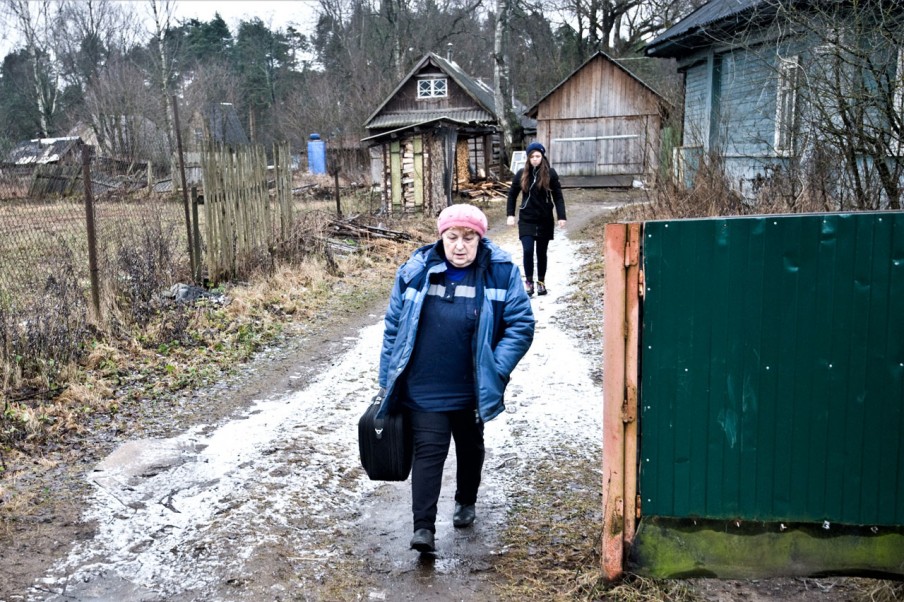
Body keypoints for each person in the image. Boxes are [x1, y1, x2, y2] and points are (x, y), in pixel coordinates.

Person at [374, 203, 535, 554]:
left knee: (469, 446)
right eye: (452, 237)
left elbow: (521, 326)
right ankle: (423, 528)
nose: (460, 245)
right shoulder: (415, 271)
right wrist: (387, 379)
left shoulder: (500, 271)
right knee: (428, 452)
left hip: (471, 386)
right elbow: (393, 329)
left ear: (480, 238)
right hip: (424, 384)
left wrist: (496, 368)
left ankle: (466, 500)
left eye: (468, 237)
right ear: (441, 237)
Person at [506, 141, 567, 296]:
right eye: (532, 156)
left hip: (544, 219)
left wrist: (561, 216)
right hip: (527, 219)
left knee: (541, 252)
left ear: (542, 156)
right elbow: (512, 195)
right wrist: (510, 215)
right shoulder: (521, 174)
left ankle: (541, 282)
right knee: (527, 251)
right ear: (528, 158)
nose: (535, 159)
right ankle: (529, 283)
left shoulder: (550, 174)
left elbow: (558, 197)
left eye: (537, 156)